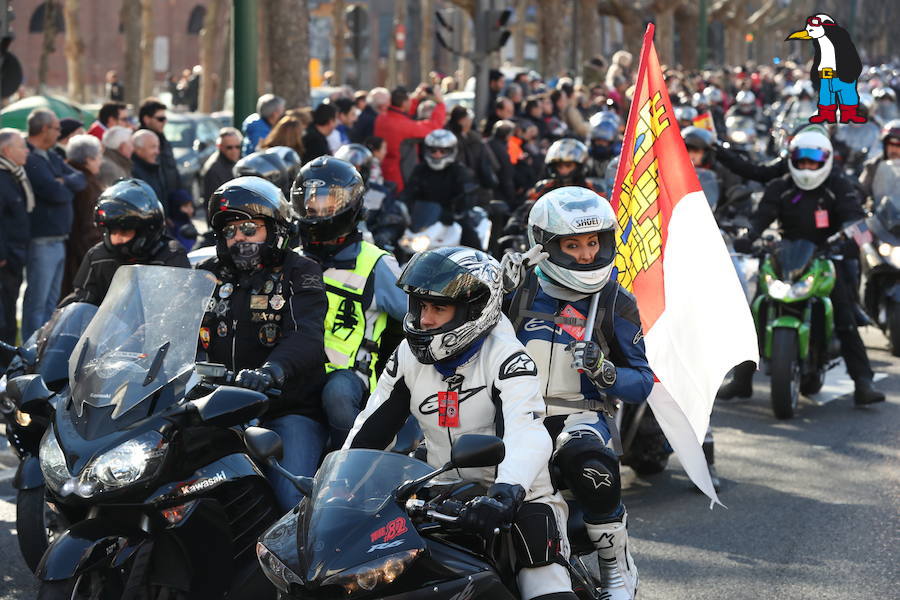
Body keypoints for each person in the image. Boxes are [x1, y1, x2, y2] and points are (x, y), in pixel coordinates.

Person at [345, 245, 581, 600]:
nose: (424, 319)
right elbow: (370, 428)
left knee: (545, 589)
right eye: (422, 306)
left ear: (473, 309)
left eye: (438, 308)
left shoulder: (508, 357)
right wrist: (333, 486)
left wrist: (504, 495)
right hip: (436, 500)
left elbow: (526, 434)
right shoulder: (409, 354)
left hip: (516, 500)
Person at [507, 187, 649, 600]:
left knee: (591, 462)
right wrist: (493, 295)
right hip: (516, 415)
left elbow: (641, 382)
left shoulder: (615, 300)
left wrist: (603, 370)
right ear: (544, 245)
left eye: (593, 243)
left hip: (581, 417)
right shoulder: (519, 291)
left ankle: (616, 569)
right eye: (573, 245)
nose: (587, 255)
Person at [197, 176, 329, 512]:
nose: (238, 238)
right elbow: (172, 326)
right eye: (230, 231)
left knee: (291, 503)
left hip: (284, 407)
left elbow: (307, 335)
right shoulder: (206, 273)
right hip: (214, 407)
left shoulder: (300, 271)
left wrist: (272, 371)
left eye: (248, 228)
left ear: (275, 230)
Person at [728, 129, 885, 406]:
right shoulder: (781, 186)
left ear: (824, 161)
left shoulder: (837, 185)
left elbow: (858, 222)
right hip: (785, 255)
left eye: (813, 161)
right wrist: (748, 236)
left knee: (845, 315)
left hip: (825, 256)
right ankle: (741, 380)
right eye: (801, 160)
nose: (807, 167)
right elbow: (760, 218)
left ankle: (863, 381)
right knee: (757, 308)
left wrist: (852, 241)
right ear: (792, 160)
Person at [291, 156, 407, 447]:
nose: (317, 209)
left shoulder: (376, 262)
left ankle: (352, 464)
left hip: (350, 374)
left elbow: (415, 317)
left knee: (337, 396)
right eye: (310, 201)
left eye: (328, 201)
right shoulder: (294, 259)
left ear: (350, 203)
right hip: (297, 365)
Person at [61, 179, 190, 307]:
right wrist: (61, 319)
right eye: (112, 232)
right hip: (109, 327)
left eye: (125, 232)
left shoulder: (170, 256)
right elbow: (82, 300)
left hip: (156, 326)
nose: (117, 239)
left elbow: (179, 305)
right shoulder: (97, 258)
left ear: (146, 230)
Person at [22, 108, 86, 341]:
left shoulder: (52, 155)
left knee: (51, 301)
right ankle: (30, 350)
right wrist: (63, 186)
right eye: (57, 128)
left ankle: (44, 348)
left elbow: (79, 179)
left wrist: (63, 182)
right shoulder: (29, 156)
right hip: (42, 240)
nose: (60, 133)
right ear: (44, 129)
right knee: (37, 303)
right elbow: (54, 192)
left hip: (59, 238)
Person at [401, 129, 480, 247]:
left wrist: (458, 211)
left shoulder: (459, 171)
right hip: (424, 219)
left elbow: (468, 194)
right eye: (433, 150)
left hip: (450, 216)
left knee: (468, 233)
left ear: (452, 151)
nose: (437, 154)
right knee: (396, 236)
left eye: (442, 151)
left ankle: (480, 262)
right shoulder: (420, 169)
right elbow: (409, 191)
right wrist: (402, 207)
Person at [373, 85, 446, 192]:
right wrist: (440, 103)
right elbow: (433, 127)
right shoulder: (403, 126)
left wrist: (416, 99)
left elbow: (400, 113)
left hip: (383, 171)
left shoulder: (381, 118)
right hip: (401, 178)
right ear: (404, 103)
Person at [0, 129, 33, 366]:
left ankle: (8, 359)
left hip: (16, 252)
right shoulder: (2, 177)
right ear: (6, 151)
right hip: (6, 256)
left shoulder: (15, 175)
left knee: (10, 309)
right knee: (5, 314)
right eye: (22, 146)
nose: (27, 151)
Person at [61, 135, 105, 298]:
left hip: (73, 252)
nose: (101, 161)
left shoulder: (77, 177)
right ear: (89, 159)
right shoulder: (85, 184)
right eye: (99, 156)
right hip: (80, 256)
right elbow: (88, 225)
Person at [138, 98, 182, 203]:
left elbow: (174, 172)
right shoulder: (137, 143)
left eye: (165, 118)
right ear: (146, 119)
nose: (164, 122)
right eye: (160, 119)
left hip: (170, 204)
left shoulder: (164, 142)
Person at [859, 119, 900, 198]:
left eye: (898, 145)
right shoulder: (873, 166)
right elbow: (860, 191)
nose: (894, 149)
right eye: (890, 143)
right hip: (878, 209)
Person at [202, 127, 243, 202]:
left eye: (237, 147)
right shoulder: (213, 170)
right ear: (220, 147)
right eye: (229, 147)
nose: (234, 150)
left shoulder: (241, 161)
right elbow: (213, 202)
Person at [131, 129, 167, 206]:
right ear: (138, 149)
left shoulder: (154, 166)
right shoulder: (132, 172)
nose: (157, 152)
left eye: (158, 147)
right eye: (153, 147)